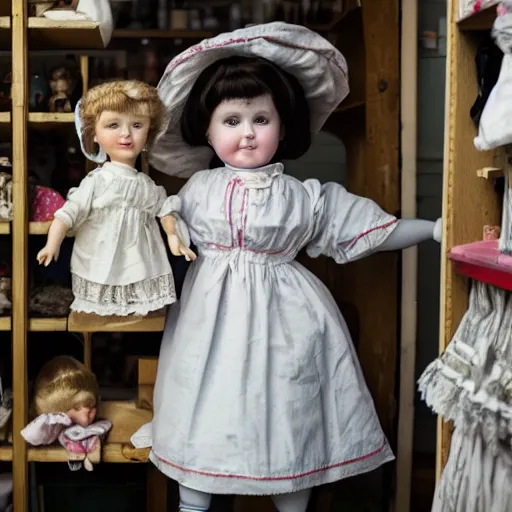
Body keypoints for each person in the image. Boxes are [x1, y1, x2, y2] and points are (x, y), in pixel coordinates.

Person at [132, 23, 442, 512]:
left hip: (288, 322)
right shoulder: (196, 192)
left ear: (284, 125)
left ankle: (291, 496)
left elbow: (364, 225)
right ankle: (194, 501)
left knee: (288, 413)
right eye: (231, 120)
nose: (249, 133)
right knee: (203, 410)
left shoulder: (302, 197)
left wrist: (431, 229)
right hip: (207, 325)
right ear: (207, 130)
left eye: (261, 118)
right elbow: (156, 231)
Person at [36, 80, 195, 316]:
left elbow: (164, 211)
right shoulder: (96, 181)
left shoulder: (147, 185)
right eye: (113, 125)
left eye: (137, 125)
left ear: (148, 132)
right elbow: (68, 214)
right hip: (101, 257)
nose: (125, 134)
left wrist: (174, 238)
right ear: (95, 134)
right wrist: (52, 243)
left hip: (139, 260)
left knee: (139, 304)